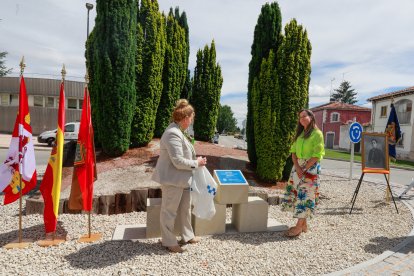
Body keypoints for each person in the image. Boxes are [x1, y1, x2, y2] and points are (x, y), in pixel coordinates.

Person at [152, 99, 207, 253]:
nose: (191, 121)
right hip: (172, 180)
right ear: (185, 118)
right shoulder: (172, 134)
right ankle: (168, 241)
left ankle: (187, 235)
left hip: (182, 180)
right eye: (191, 118)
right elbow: (177, 161)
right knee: (169, 211)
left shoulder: (179, 133)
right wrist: (196, 162)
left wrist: (197, 161)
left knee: (185, 209)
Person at [281, 109, 325, 237]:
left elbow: (317, 155)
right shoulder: (300, 135)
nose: (301, 119)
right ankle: (304, 224)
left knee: (305, 197)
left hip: (310, 169)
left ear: (311, 117)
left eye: (304, 116)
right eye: (300, 117)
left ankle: (299, 226)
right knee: (298, 196)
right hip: (297, 167)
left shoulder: (317, 134)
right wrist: (297, 167)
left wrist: (304, 168)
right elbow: (293, 152)